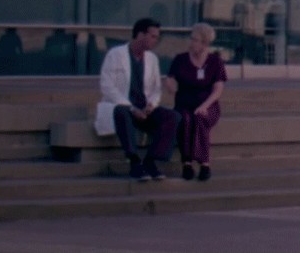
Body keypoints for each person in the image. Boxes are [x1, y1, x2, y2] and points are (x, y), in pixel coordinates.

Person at [95, 17, 181, 181]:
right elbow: (107, 86)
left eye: (157, 37)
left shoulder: (152, 59)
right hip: (124, 107)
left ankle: (150, 161)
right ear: (140, 35)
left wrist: (151, 104)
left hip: (144, 109)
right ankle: (134, 162)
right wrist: (131, 107)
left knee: (173, 116)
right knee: (121, 111)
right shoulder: (115, 54)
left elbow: (156, 89)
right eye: (153, 36)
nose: (156, 40)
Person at [167, 23, 229, 181]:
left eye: (196, 40)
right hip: (184, 104)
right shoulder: (180, 60)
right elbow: (170, 78)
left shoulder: (215, 62)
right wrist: (170, 85)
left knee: (200, 118)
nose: (192, 43)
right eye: (192, 39)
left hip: (209, 104)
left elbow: (218, 90)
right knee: (186, 120)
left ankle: (204, 164)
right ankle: (187, 163)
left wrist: (204, 106)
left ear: (205, 43)